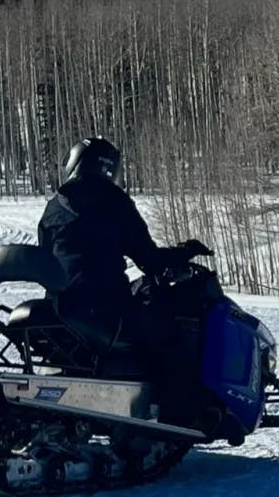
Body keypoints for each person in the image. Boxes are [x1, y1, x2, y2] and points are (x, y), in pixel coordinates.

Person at [37, 136, 213, 422]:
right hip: (104, 308)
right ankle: (179, 420)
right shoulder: (113, 201)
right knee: (170, 335)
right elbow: (148, 259)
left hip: (62, 307)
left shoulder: (54, 206)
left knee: (142, 303)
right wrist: (184, 252)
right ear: (109, 168)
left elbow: (48, 257)